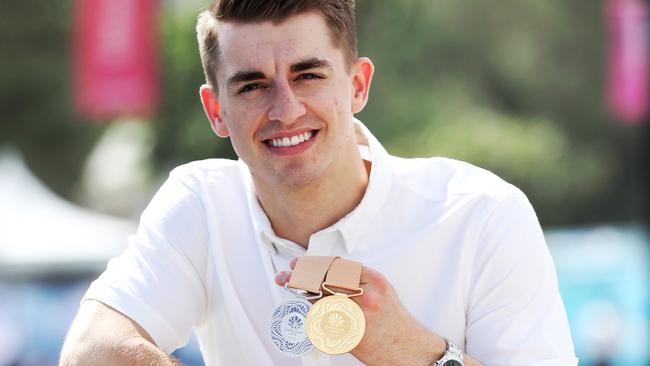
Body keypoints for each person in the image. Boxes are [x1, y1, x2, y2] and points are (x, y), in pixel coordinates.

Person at [59, 1, 578, 365]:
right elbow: (89, 352)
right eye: (253, 85)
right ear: (216, 110)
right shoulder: (200, 205)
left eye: (308, 75)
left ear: (357, 85)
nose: (285, 109)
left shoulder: (483, 214)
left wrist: (413, 354)